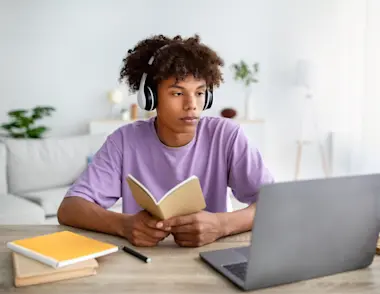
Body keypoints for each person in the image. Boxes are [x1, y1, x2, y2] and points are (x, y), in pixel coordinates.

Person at [57, 34, 274, 247]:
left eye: (199, 93)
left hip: (211, 257)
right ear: (150, 97)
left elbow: (274, 204)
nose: (192, 104)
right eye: (178, 93)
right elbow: (70, 208)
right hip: (144, 262)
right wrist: (124, 225)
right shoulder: (124, 141)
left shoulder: (227, 136)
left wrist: (221, 225)